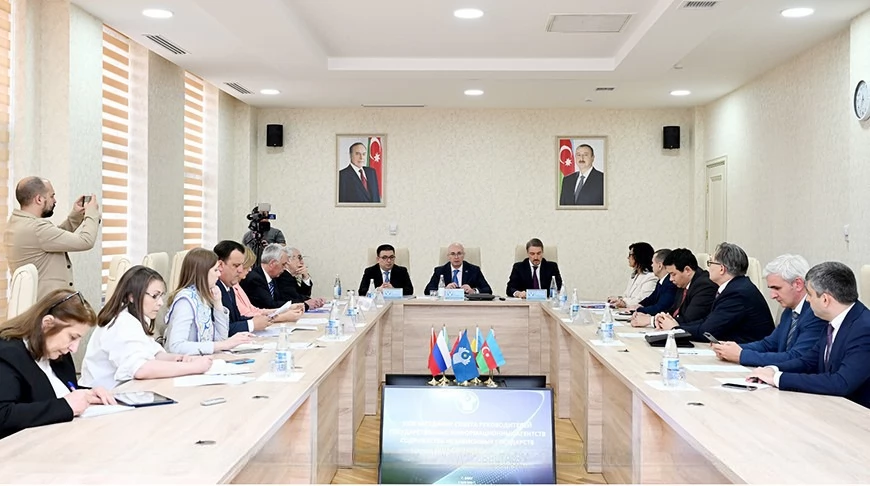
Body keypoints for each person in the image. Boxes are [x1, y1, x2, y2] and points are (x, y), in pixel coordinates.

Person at [747, 262, 870, 408]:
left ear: (825, 300)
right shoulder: (834, 320)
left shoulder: (864, 329)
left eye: (810, 294)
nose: (807, 299)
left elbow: (841, 383)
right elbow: (808, 361)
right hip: (831, 406)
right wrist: (773, 369)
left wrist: (778, 378)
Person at [0, 289, 115, 439]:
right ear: (47, 324)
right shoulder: (6, 354)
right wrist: (66, 406)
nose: (74, 348)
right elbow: (4, 414)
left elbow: (56, 392)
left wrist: (89, 393)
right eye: (72, 337)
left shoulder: (59, 354)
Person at [80, 266, 213, 390]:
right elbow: (140, 369)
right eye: (155, 296)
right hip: (101, 396)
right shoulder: (122, 323)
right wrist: (193, 367)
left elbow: (155, 354)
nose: (160, 302)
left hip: (123, 391)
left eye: (161, 296)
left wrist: (180, 359)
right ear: (132, 296)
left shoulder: (136, 317)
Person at [712, 254, 826, 367]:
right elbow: (768, 345)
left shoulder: (816, 313)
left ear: (798, 284)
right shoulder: (789, 311)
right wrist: (732, 348)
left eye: (777, 288)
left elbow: (796, 357)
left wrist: (741, 355)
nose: (772, 296)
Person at [656, 242, 774, 343]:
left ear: (722, 269)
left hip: (748, 353)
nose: (708, 268)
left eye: (710, 263)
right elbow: (707, 321)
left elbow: (708, 331)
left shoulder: (737, 293)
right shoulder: (735, 287)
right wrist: (676, 325)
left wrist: (675, 329)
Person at [4, 177, 101, 299]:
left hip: (32, 302)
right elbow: (86, 241)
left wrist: (75, 216)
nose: (55, 200)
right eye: (52, 196)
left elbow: (54, 238)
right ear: (39, 199)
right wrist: (92, 213)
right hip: (47, 305)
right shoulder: (37, 228)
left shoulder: (17, 223)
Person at [164, 248, 254, 355]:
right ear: (202, 272)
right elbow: (176, 346)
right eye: (215, 270)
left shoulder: (202, 296)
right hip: (183, 362)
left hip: (200, 360)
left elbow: (221, 338)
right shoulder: (185, 301)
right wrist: (223, 345)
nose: (219, 274)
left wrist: (218, 304)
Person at [633, 248, 715, 328]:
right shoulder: (683, 282)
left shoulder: (705, 286)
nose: (670, 279)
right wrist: (654, 316)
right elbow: (673, 311)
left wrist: (652, 321)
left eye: (673, 274)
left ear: (687, 270)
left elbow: (689, 320)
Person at [213, 240, 271, 335]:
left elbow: (237, 318)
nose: (240, 270)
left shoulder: (228, 287)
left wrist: (258, 320)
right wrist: (251, 324)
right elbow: (221, 329)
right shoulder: (214, 288)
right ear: (220, 265)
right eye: (236, 265)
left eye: (241, 265)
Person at [235, 246, 304, 322]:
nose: (250, 270)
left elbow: (254, 310)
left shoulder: (274, 277)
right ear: (272, 263)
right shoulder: (253, 279)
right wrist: (283, 316)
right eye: (283, 264)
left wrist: (289, 307)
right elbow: (267, 305)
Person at [629, 249, 677, 325]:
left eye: (652, 263)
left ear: (660, 266)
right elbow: (651, 299)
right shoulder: (661, 281)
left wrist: (639, 310)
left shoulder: (670, 283)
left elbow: (660, 307)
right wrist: (640, 305)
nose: (651, 265)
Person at [424, 243, 492, 295]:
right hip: (446, 305)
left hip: (467, 305)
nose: (456, 257)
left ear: (463, 255)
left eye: (459, 253)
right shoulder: (440, 271)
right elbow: (427, 291)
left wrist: (473, 291)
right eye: (453, 254)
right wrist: (444, 290)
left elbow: (488, 290)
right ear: (448, 257)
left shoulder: (474, 270)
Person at [608, 242, 658, 308]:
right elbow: (626, 295)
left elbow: (643, 301)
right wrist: (618, 299)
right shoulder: (635, 275)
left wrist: (623, 302)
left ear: (638, 256)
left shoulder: (651, 277)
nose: (628, 258)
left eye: (630, 255)